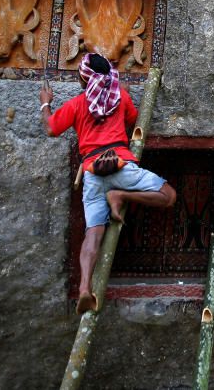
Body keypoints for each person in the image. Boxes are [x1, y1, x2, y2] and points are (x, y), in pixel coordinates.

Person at [39, 52, 176, 315]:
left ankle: (84, 288)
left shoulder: (77, 104)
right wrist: (123, 92)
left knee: (93, 233)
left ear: (84, 79)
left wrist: (45, 104)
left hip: (92, 173)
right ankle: (121, 196)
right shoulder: (120, 98)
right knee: (168, 195)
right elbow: (133, 120)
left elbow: (50, 128)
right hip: (121, 167)